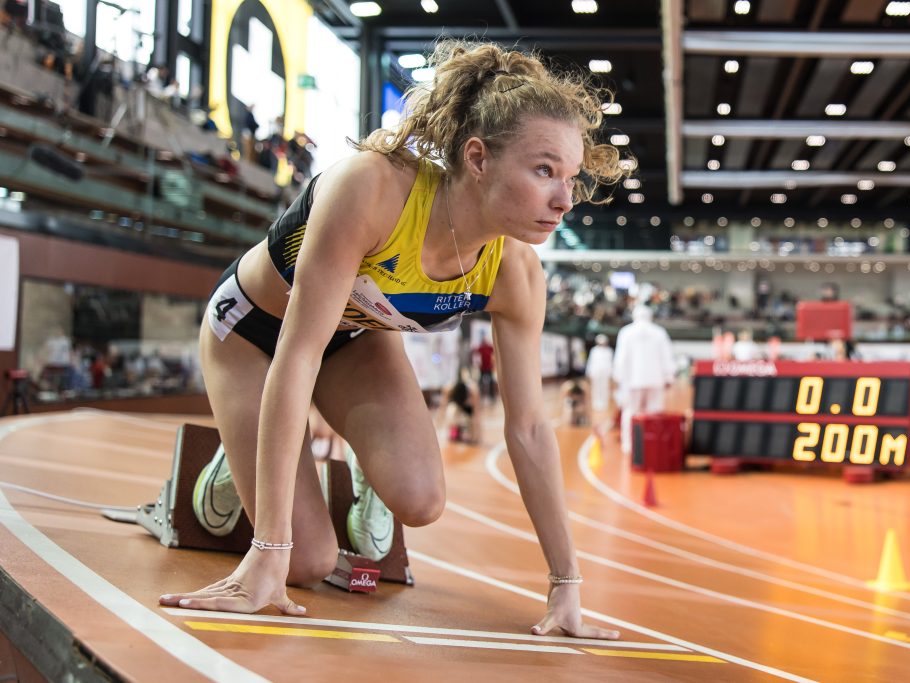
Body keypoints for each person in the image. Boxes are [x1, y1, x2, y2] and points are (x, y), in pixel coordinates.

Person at [158, 40, 624, 640]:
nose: (563, 200)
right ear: (477, 158)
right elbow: (296, 354)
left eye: (571, 177)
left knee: (423, 499)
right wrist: (267, 548)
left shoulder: (515, 272)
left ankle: (310, 464)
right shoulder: (373, 190)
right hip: (255, 334)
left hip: (351, 340)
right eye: (544, 171)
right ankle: (237, 463)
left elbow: (530, 427)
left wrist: (566, 587)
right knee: (302, 563)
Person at [612, 305, 676, 455]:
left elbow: (621, 358)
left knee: (630, 413)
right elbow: (667, 356)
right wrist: (669, 376)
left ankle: (629, 445)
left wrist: (618, 377)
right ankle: (652, 444)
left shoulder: (626, 332)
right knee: (654, 413)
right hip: (655, 380)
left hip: (632, 381)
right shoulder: (659, 332)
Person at [584, 334, 613, 413]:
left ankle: (604, 403)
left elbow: (610, 363)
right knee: (595, 388)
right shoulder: (594, 350)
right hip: (596, 372)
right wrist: (588, 373)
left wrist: (611, 374)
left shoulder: (609, 351)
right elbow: (591, 362)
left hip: (605, 373)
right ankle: (596, 403)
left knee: (604, 387)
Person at [473, 334, 496, 402]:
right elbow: (475, 351)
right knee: (480, 382)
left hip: (488, 367)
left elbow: (495, 350)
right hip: (483, 368)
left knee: (491, 381)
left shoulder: (489, 347)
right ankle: (479, 395)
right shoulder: (481, 347)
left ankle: (492, 396)